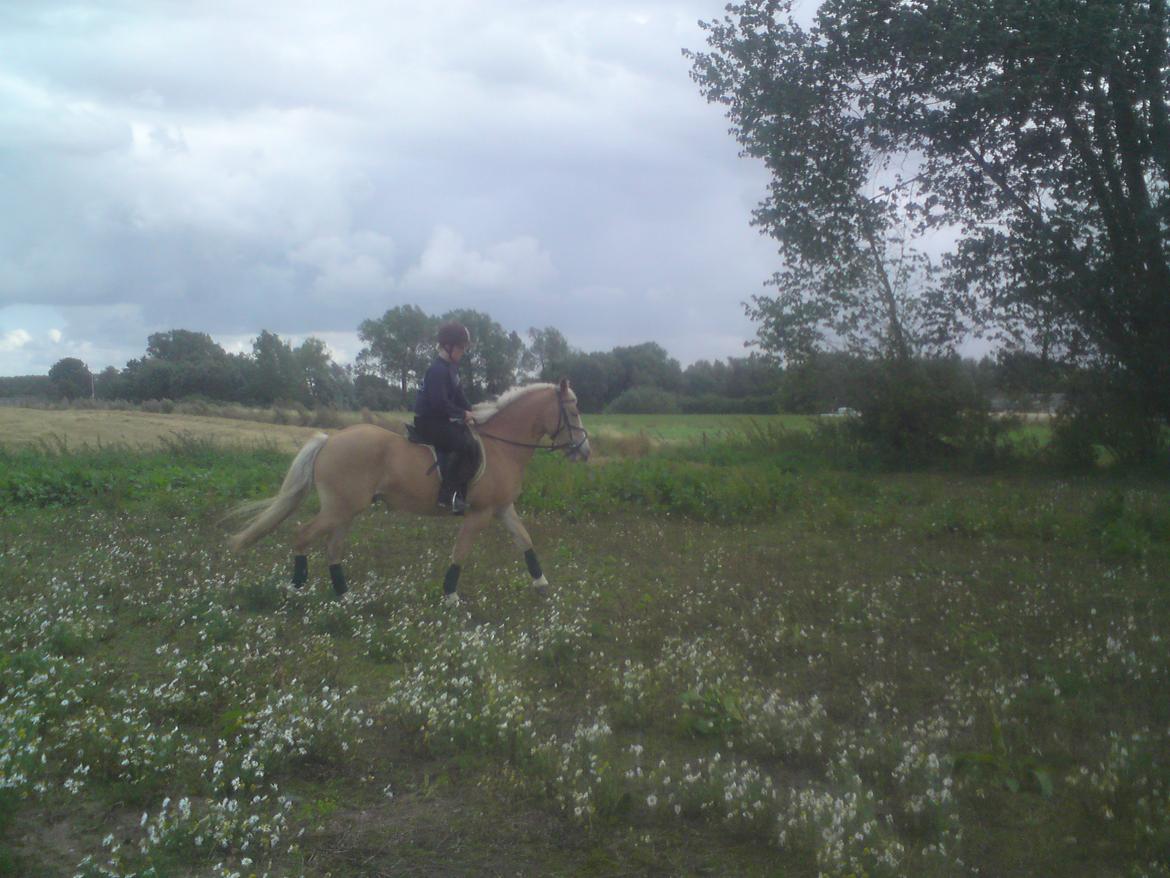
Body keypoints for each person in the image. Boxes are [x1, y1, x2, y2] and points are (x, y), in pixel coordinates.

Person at [412, 322, 477, 514]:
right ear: (448, 346)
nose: (463, 352)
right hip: (429, 421)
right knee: (465, 445)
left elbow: (459, 396)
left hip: (440, 419)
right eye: (461, 348)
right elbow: (439, 403)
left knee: (471, 440)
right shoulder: (437, 370)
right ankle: (447, 496)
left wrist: (474, 411)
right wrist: (462, 414)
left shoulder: (451, 368)